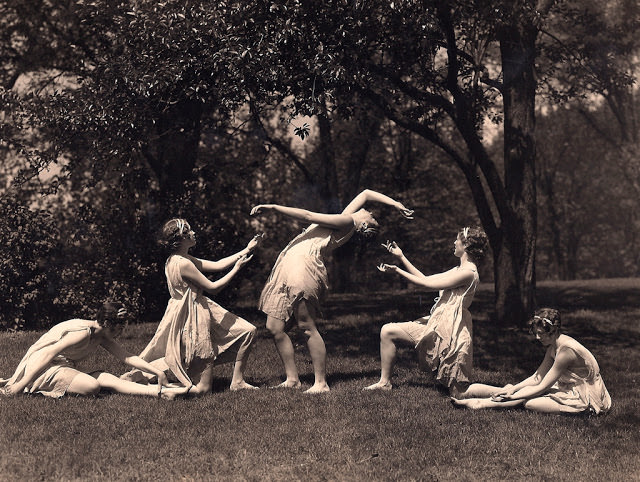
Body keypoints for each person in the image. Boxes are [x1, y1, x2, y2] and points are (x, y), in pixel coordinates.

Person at [251, 189, 414, 393]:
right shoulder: (347, 220)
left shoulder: (347, 222)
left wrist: (273, 207)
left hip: (302, 269)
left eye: (371, 216)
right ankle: (292, 379)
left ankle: (321, 383)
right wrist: (395, 203)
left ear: (363, 224)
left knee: (306, 326)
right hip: (288, 267)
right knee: (275, 327)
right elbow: (365, 194)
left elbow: (308, 216)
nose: (370, 211)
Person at [120, 218, 261, 396]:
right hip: (192, 314)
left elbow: (217, 265)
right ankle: (153, 387)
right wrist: (237, 268)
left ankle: (237, 381)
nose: (194, 233)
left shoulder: (177, 259)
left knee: (247, 331)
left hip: (193, 308)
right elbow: (213, 288)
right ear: (181, 238)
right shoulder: (183, 263)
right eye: (190, 231)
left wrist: (246, 249)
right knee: (203, 388)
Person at [364, 226, 488, 397]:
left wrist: (398, 271)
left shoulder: (468, 273)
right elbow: (425, 279)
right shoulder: (459, 269)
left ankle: (506, 391)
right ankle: (385, 383)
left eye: (457, 240)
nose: (454, 242)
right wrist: (401, 257)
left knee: (458, 393)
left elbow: (427, 286)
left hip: (452, 334)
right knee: (388, 331)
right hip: (438, 325)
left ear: (465, 245)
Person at [0, 302, 189, 399]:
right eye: (119, 327)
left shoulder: (101, 335)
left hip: (61, 367)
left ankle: (160, 392)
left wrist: (156, 372)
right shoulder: (83, 332)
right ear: (107, 323)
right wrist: (20, 384)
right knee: (92, 386)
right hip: (43, 367)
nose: (121, 331)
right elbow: (47, 353)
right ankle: (33, 386)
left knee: (106, 379)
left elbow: (127, 357)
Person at [451, 308, 612, 414]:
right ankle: (479, 394)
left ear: (554, 331)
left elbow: (542, 386)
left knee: (529, 403)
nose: (537, 337)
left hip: (587, 397)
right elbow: (537, 377)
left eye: (541, 333)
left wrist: (512, 396)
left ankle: (482, 403)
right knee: (523, 393)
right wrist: (514, 389)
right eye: (536, 332)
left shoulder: (566, 351)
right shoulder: (553, 346)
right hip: (568, 386)